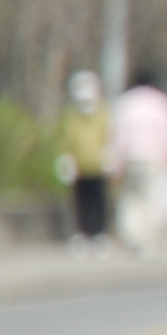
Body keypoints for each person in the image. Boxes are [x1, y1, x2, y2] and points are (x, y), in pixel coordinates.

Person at [110, 77, 167, 253]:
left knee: (130, 199)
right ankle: (149, 240)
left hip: (131, 157)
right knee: (152, 198)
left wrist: (116, 163)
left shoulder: (125, 102)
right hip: (154, 156)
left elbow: (118, 135)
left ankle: (133, 237)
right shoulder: (161, 101)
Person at [57, 71, 114, 250]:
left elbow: (109, 135)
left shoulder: (103, 114)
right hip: (80, 168)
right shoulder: (72, 117)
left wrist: (109, 155)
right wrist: (66, 160)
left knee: (99, 202)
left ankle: (99, 234)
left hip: (98, 167)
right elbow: (66, 139)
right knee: (81, 203)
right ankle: (82, 234)